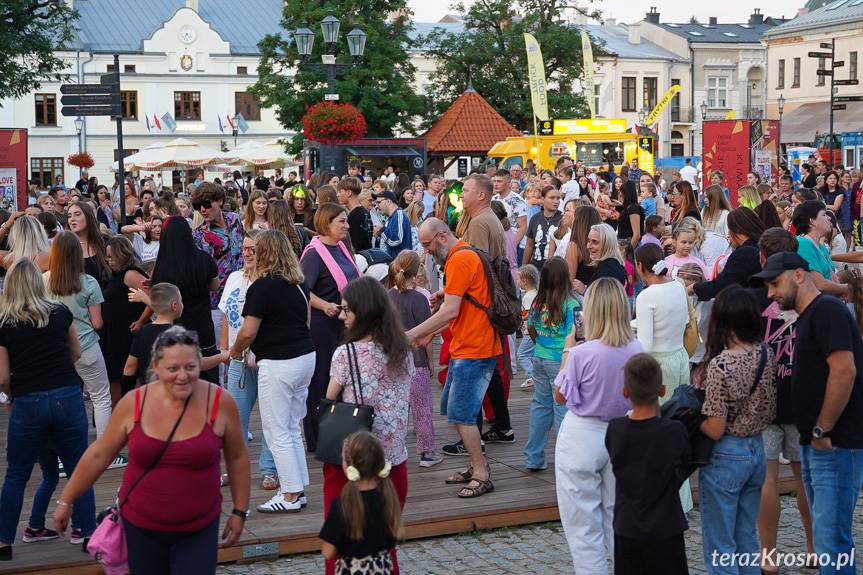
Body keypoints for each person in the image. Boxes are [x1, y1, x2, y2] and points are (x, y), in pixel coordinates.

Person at [53, 326, 249, 575]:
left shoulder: (220, 402)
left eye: (190, 367)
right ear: (155, 367)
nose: (182, 376)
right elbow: (99, 454)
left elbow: (237, 457)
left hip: (198, 527)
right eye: (172, 368)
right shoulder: (134, 403)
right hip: (141, 526)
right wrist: (66, 500)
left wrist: (240, 511)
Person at [758, 252, 863, 575]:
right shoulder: (811, 314)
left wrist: (822, 429)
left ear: (799, 275)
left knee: (831, 541)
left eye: (775, 283)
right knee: (829, 537)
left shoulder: (826, 311)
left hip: (834, 443)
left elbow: (844, 370)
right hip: (820, 442)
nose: (771, 293)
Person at [0, 260, 95, 560]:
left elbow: (2, 377)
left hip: (28, 400)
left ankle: (3, 541)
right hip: (66, 394)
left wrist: (13, 393)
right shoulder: (59, 313)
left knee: (17, 473)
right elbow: (77, 352)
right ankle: (89, 535)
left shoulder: (4, 324)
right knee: (80, 468)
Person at [554, 278, 643, 572]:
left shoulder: (581, 353)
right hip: (624, 433)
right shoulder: (638, 348)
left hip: (582, 434)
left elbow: (560, 396)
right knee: (618, 517)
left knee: (583, 528)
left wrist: (568, 350)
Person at [324, 277, 412, 574]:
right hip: (393, 461)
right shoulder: (402, 351)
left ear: (361, 312)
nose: (341, 314)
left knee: (340, 545)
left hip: (353, 463)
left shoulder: (345, 355)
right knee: (385, 545)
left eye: (346, 309)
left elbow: (329, 399)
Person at [407, 218, 500, 498]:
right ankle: (475, 465)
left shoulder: (459, 260)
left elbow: (450, 311)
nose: (426, 252)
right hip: (469, 345)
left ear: (443, 236)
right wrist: (445, 295)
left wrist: (410, 335)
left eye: (427, 245)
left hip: (475, 347)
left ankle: (482, 473)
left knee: (461, 413)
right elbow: (461, 302)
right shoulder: (464, 254)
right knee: (454, 408)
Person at [228, 230, 315, 513]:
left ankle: (290, 493)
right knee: (291, 426)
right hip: (304, 356)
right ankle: (297, 487)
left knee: (276, 428)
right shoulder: (299, 284)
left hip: (279, 362)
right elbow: (306, 320)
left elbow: (248, 331)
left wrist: (235, 351)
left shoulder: (262, 287)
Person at [697, 286, 776, 575]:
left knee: (721, 545)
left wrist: (695, 419)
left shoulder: (721, 364)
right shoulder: (765, 354)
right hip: (756, 449)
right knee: (746, 538)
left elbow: (715, 428)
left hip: (727, 454)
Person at [749, 230, 816, 574]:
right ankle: (812, 546)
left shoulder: (757, 300)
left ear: (763, 258)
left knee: (768, 477)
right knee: (805, 476)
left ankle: (768, 556)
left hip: (766, 398)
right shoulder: (809, 298)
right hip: (801, 395)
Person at [605, 354, 691, 575]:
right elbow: (684, 464)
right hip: (666, 526)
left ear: (625, 392)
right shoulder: (674, 431)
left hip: (627, 526)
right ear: (662, 390)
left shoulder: (615, 430)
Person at [218, 229, 278, 490]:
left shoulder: (271, 282)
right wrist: (225, 350)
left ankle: (269, 469)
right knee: (235, 418)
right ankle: (235, 469)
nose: (248, 253)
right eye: (244, 248)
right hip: (237, 357)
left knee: (269, 416)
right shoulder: (233, 278)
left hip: (265, 357)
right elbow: (224, 315)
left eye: (253, 248)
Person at [300, 203, 361, 452]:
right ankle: (317, 438)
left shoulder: (342, 248)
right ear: (326, 223)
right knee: (322, 380)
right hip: (323, 325)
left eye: (346, 221)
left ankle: (339, 432)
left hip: (344, 324)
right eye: (342, 222)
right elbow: (303, 289)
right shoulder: (314, 253)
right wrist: (325, 305)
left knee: (343, 379)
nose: (347, 226)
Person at [43, 231, 113, 439]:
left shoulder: (42, 281)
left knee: (60, 399)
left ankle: (63, 453)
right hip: (86, 347)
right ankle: (104, 449)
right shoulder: (89, 282)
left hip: (54, 349)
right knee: (100, 396)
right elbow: (97, 323)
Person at [320, 431, 404, 575]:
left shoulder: (342, 505)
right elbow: (392, 538)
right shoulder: (388, 498)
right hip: (382, 568)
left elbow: (328, 552)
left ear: (347, 467)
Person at [149, 216, 220, 380]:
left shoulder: (161, 267)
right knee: (207, 376)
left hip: (175, 330)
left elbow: (157, 301)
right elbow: (215, 287)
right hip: (202, 327)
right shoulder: (204, 259)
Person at [387, 252, 441, 467]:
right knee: (422, 409)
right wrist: (430, 361)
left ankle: (393, 450)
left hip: (393, 362)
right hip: (416, 362)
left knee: (395, 409)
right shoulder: (420, 299)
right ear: (417, 271)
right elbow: (425, 336)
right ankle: (427, 454)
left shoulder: (387, 296)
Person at [523, 257, 576, 471]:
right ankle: (566, 459)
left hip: (540, 357)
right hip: (560, 360)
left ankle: (534, 457)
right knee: (562, 407)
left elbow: (530, 327)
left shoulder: (537, 302)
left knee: (540, 406)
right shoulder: (571, 304)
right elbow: (574, 335)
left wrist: (540, 344)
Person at [191, 182, 245, 349]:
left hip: (243, 293)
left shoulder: (235, 219)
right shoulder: (199, 235)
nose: (203, 210)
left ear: (220, 201)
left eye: (206, 204)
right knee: (223, 351)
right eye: (198, 206)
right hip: (218, 300)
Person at [102, 235, 148, 399]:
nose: (109, 260)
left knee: (129, 377)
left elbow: (153, 297)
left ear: (122, 254)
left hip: (127, 332)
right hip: (115, 333)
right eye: (107, 256)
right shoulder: (115, 274)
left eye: (112, 256)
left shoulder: (130, 274)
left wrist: (141, 321)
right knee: (116, 378)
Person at [691, 207, 764, 301]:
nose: (728, 234)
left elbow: (721, 286)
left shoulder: (744, 253)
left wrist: (694, 288)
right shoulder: (760, 245)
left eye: (729, 229)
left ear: (737, 230)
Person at [574, 223, 626, 295]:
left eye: (595, 242)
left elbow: (606, 301)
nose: (589, 246)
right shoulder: (610, 264)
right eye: (588, 241)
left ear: (607, 244)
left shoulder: (607, 268)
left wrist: (585, 291)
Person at [66, 201, 110, 287]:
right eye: (69, 216)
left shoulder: (104, 241)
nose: (72, 219)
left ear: (88, 216)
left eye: (77, 214)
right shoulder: (66, 246)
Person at [492, 169, 529, 263]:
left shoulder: (516, 200)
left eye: (499, 181)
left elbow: (523, 227)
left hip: (514, 246)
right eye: (494, 181)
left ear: (509, 183)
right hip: (498, 244)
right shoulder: (494, 198)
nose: (496, 184)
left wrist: (511, 246)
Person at [793, 200, 836, 281]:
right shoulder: (802, 243)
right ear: (812, 221)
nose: (829, 218)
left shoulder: (820, 246)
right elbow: (819, 284)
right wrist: (845, 288)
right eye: (824, 214)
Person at [523, 185, 562, 269]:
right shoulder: (535, 218)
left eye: (558, 198)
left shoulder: (563, 219)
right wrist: (524, 267)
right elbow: (529, 245)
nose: (556, 201)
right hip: (536, 267)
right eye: (552, 198)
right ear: (543, 199)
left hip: (555, 269)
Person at [516, 264, 539, 390]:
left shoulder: (529, 296)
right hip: (535, 331)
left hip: (530, 332)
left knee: (522, 354)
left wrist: (519, 318)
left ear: (524, 281)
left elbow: (530, 313)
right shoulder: (535, 293)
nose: (517, 281)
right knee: (533, 355)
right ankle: (537, 376)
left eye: (518, 279)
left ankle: (531, 376)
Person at [566, 205, 602, 287]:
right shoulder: (602, 243)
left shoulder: (574, 246)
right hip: (601, 293)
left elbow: (570, 280)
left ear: (579, 222)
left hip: (582, 296)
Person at [337, 177, 372, 252]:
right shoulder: (364, 212)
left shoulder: (354, 216)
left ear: (349, 193)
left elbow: (355, 245)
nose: (337, 195)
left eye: (340, 192)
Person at [373, 191, 412, 258]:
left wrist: (382, 229)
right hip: (395, 263)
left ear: (388, 201)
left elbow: (395, 241)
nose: (376, 206)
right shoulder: (392, 217)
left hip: (402, 264)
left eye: (379, 202)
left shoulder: (399, 215)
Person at [617, 181, 643, 249]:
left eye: (621, 191)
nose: (619, 194)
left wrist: (628, 252)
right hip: (623, 245)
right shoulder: (627, 207)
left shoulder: (633, 209)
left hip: (629, 246)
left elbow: (636, 235)